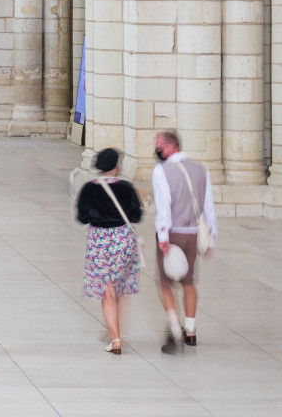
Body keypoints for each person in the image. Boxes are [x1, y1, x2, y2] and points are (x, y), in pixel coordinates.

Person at [151, 129, 216, 352]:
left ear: (172, 146)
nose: (157, 149)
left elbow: (163, 207)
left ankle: (175, 328)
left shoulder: (162, 171)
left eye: (160, 145)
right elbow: (209, 207)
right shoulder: (201, 169)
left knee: (165, 283)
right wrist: (211, 238)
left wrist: (163, 236)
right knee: (189, 281)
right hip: (193, 234)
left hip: (173, 234)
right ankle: (191, 330)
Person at [75, 147, 144, 354]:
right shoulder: (126, 188)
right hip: (123, 240)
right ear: (116, 167)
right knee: (119, 288)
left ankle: (115, 339)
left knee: (107, 291)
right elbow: (136, 215)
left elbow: (82, 217)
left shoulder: (89, 189)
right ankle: (115, 329)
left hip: (100, 242)